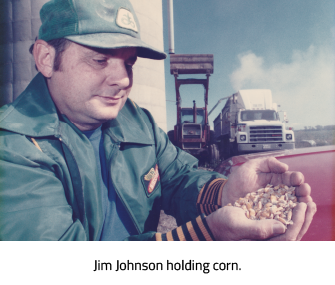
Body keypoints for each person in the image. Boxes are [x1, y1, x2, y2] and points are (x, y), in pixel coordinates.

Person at [0, 0, 316, 241]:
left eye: (129, 62)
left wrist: (224, 194)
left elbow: (178, 177)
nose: (123, 79)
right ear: (46, 59)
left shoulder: (137, 122)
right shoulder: (12, 148)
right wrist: (204, 238)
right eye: (99, 59)